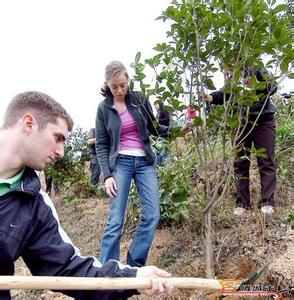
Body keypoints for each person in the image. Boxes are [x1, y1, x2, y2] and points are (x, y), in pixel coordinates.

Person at [0, 91, 173, 300]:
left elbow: (69, 269)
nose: (61, 152)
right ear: (29, 124)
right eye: (58, 138)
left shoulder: (34, 205)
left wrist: (132, 277)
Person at [96, 61, 189, 268]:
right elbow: (101, 145)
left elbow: (155, 129)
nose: (119, 90)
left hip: (145, 162)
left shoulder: (139, 100)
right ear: (107, 85)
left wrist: (177, 131)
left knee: (153, 214)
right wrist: (107, 175)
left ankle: (133, 266)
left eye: (122, 85)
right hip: (120, 163)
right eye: (114, 87)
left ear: (128, 79)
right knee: (116, 220)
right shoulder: (103, 108)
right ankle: (107, 270)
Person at [201, 67, 277, 216]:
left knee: (266, 161)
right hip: (240, 124)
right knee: (240, 163)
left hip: (263, 121)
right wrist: (210, 97)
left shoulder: (258, 69)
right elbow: (225, 93)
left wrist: (255, 84)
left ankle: (267, 201)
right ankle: (242, 202)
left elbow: (273, 86)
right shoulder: (234, 77)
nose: (225, 69)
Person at [154, 100, 171, 165]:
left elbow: (167, 119)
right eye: (155, 105)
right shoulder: (157, 114)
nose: (155, 106)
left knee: (165, 151)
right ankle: (158, 166)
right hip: (159, 135)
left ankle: (164, 165)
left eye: (156, 104)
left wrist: (158, 120)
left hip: (165, 133)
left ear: (160, 104)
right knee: (158, 150)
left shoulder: (164, 111)